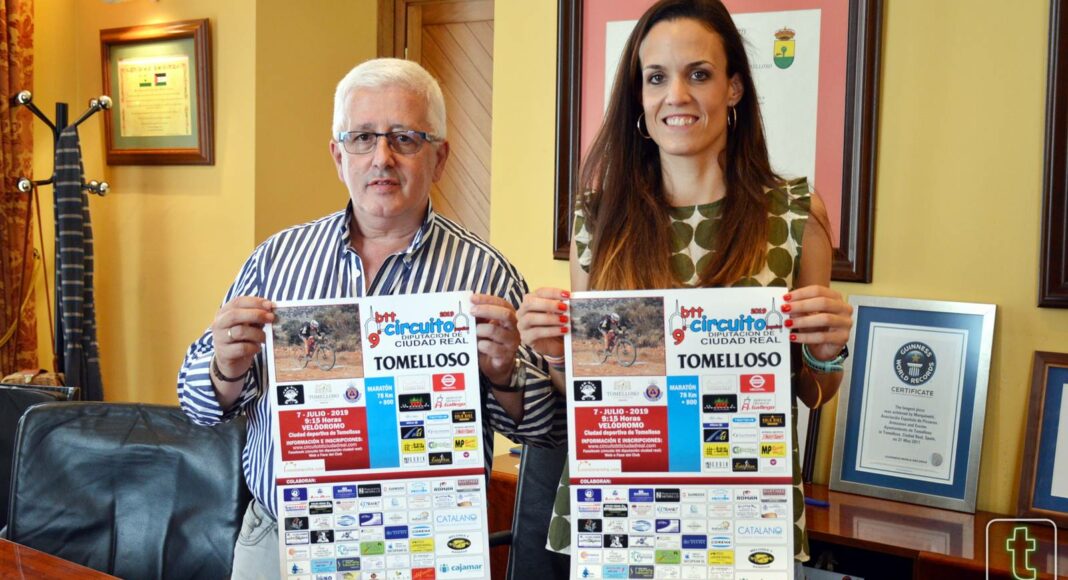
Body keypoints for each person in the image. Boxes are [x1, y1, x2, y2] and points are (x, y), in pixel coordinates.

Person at [177, 58, 564, 579]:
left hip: (425, 543)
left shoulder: (486, 275)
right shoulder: (275, 261)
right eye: (362, 138)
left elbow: (547, 431)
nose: (382, 157)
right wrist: (225, 368)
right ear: (339, 156)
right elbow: (196, 406)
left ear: (440, 158)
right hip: (282, 541)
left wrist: (503, 374)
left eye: (405, 138)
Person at [516, 0, 853, 575]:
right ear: (638, 98)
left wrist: (826, 352)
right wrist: (554, 354)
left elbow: (813, 393)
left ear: (734, 88)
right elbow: (586, 391)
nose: (676, 95)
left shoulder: (795, 211)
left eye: (699, 74)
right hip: (619, 510)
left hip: (744, 513)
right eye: (656, 78)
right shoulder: (597, 218)